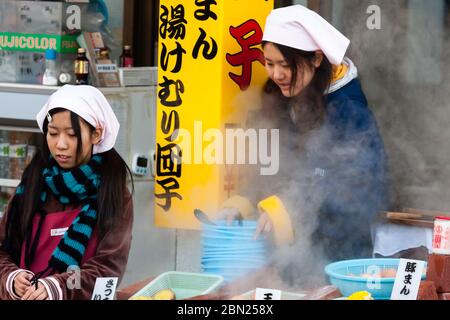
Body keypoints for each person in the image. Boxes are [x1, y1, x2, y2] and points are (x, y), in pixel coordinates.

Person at [219, 5, 389, 283]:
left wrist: (291, 209)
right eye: (269, 64)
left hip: (338, 263)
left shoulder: (348, 110)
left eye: (285, 65)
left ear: (316, 59)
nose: (277, 74)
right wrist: (247, 201)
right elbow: (281, 167)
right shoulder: (287, 98)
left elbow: (365, 190)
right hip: (292, 260)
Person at [0, 85, 134, 300]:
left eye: (71, 135)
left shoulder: (113, 193)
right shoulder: (33, 183)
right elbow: (2, 248)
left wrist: (58, 287)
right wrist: (11, 279)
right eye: (52, 133)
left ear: (96, 134)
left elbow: (108, 269)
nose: (60, 144)